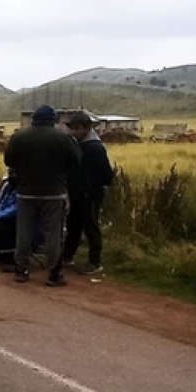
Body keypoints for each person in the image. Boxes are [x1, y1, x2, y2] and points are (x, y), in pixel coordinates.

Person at [4, 105, 81, 286]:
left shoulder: (19, 137)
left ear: (34, 119)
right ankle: (54, 274)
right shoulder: (63, 138)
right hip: (54, 192)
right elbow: (76, 161)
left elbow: (9, 160)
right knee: (53, 234)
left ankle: (21, 270)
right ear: (53, 120)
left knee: (23, 231)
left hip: (26, 191)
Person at [62, 111, 114, 275]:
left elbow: (106, 174)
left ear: (87, 128)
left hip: (90, 193)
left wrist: (94, 187)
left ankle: (95, 262)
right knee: (73, 225)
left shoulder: (95, 147)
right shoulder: (78, 144)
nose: (74, 132)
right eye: (72, 128)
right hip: (77, 192)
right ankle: (67, 257)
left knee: (91, 226)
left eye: (77, 128)